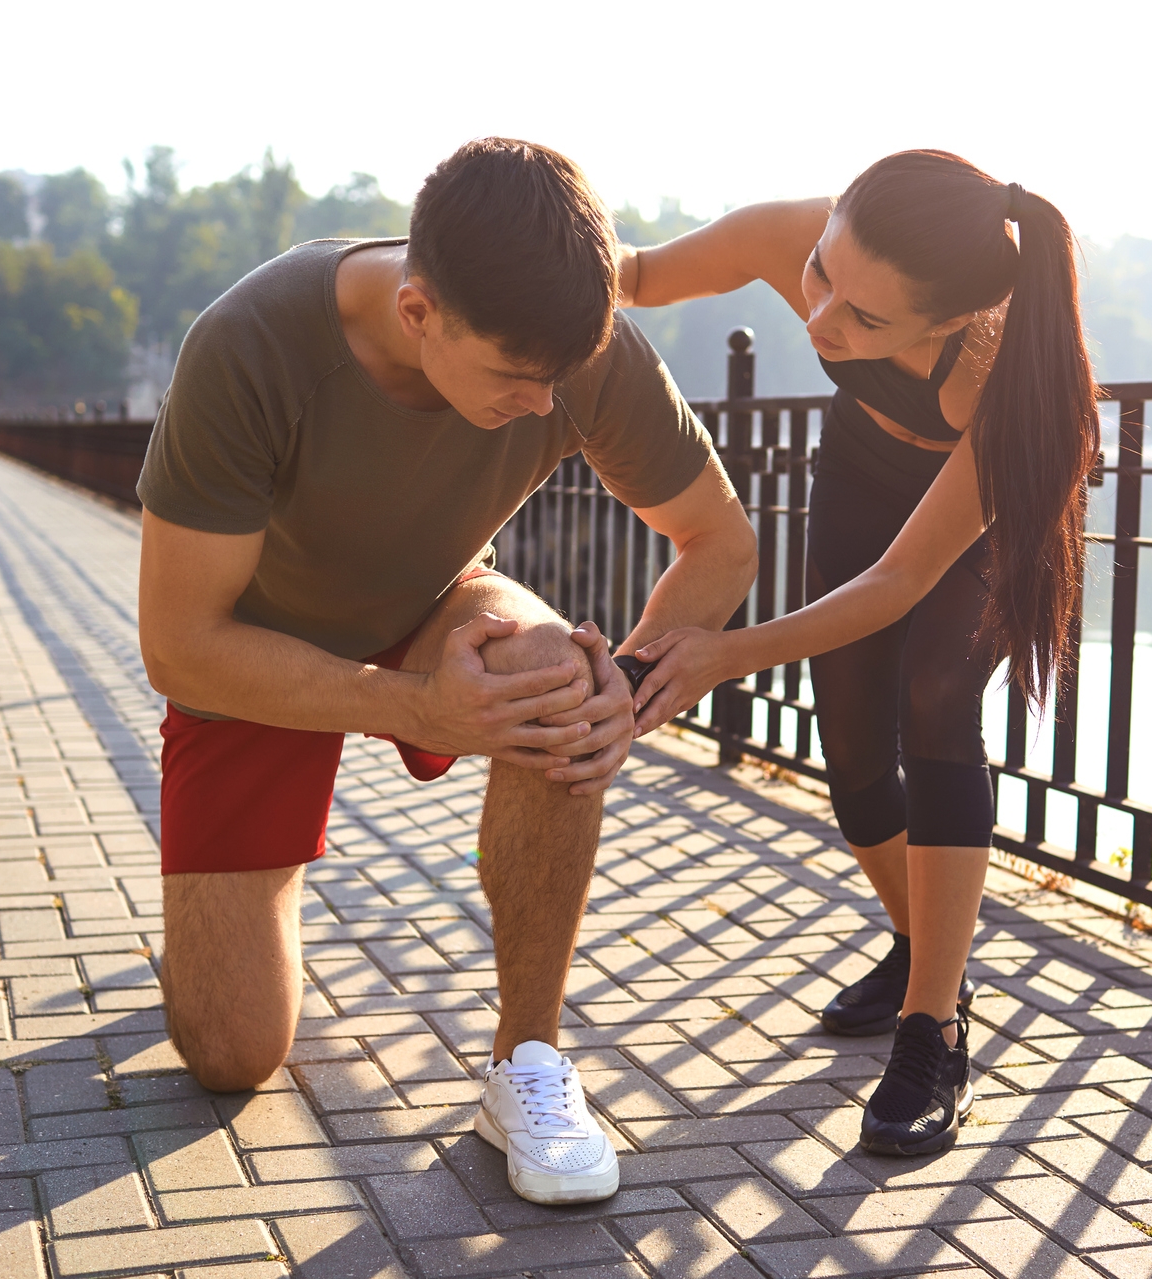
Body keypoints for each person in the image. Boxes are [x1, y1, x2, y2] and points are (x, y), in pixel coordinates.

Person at [135, 138, 757, 1205]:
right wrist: (410, 706)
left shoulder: (575, 349)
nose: (543, 403)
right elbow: (180, 643)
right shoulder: (248, 344)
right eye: (517, 380)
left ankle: (527, 1062)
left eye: (559, 380)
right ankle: (219, 935)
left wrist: (629, 697)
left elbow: (720, 542)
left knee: (561, 677)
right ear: (418, 311)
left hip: (432, 602)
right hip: (255, 649)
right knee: (233, 1051)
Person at [616, 150, 1100, 1156]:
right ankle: (931, 947)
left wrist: (723, 654)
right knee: (849, 744)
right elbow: (637, 274)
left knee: (932, 692)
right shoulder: (813, 230)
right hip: (860, 463)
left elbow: (898, 585)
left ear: (952, 323)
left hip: (966, 517)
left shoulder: (1014, 382)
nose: (822, 322)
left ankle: (935, 1026)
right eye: (824, 275)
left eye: (866, 321)